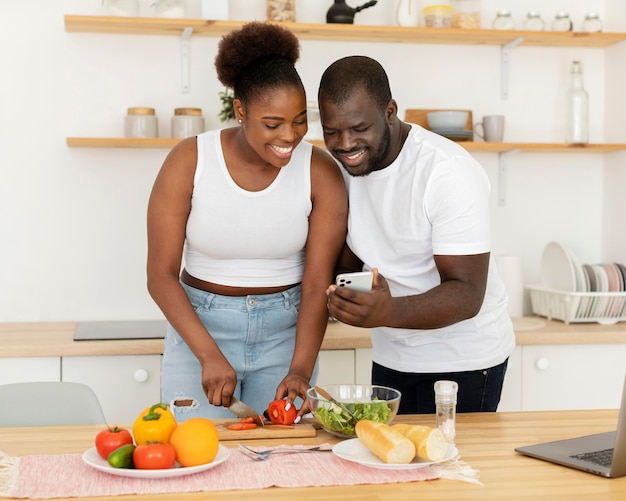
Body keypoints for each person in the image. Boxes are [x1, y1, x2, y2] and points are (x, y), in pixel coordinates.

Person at [147, 22, 348, 422]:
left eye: (299, 120)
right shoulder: (190, 161)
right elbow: (160, 275)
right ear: (241, 111)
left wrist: (300, 369)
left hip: (286, 336)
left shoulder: (320, 172)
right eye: (272, 124)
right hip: (199, 328)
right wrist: (207, 354)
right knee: (196, 457)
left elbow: (315, 284)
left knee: (281, 464)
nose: (289, 136)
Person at [319, 55, 515, 414]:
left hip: (465, 363)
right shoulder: (347, 170)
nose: (345, 143)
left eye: (359, 128)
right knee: (393, 466)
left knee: (456, 467)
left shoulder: (447, 172)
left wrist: (387, 310)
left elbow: (467, 293)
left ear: (390, 111)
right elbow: (347, 264)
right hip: (392, 358)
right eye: (332, 131)